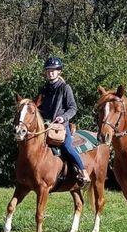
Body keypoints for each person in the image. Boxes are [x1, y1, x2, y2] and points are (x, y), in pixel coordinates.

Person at [38, 57, 90, 187]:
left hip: (60, 126)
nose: (51, 73)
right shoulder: (44, 89)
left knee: (67, 147)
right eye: (49, 70)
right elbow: (38, 106)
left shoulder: (65, 88)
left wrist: (63, 117)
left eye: (54, 70)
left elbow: (73, 108)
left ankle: (83, 171)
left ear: (59, 71)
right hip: (45, 125)